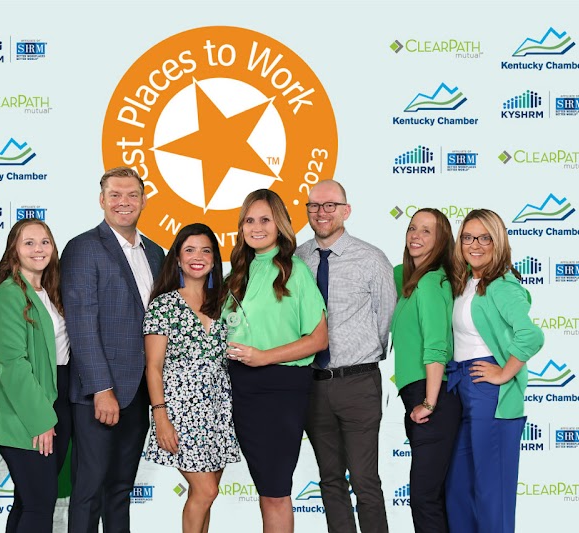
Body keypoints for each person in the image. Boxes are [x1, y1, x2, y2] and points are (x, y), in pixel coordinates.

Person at [61, 166, 165, 533]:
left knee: (121, 490)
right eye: (115, 195)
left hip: (139, 391)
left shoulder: (156, 252)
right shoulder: (83, 248)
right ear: (102, 200)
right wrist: (101, 389)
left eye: (132, 195)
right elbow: (82, 323)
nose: (124, 202)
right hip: (99, 394)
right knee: (89, 491)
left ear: (144, 200)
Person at [222, 189, 328, 533]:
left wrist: (264, 357)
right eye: (249, 220)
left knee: (276, 491)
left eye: (265, 219)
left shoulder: (295, 271)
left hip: (280, 390)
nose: (256, 227)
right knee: (265, 488)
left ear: (279, 224)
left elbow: (318, 339)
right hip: (241, 388)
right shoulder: (236, 274)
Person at [295, 180, 395, 533]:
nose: (321, 212)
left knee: (365, 480)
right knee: (330, 479)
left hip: (358, 383)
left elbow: (386, 319)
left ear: (346, 210)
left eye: (330, 205)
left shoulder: (371, 258)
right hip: (313, 384)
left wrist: (360, 355)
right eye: (314, 206)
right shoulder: (298, 259)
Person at [445, 209, 544, 533]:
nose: (475, 245)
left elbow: (531, 335)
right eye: (468, 237)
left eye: (484, 238)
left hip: (491, 394)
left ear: (497, 242)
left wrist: (503, 373)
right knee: (458, 490)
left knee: (492, 493)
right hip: (461, 385)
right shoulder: (466, 282)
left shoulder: (501, 285)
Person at [143, 223, 241, 533]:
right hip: (181, 412)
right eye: (189, 250)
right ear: (177, 258)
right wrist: (161, 417)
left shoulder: (226, 301)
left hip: (219, 411)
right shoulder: (163, 305)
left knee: (206, 495)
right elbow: (153, 367)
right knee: (206, 490)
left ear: (214, 258)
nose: (197, 257)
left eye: (205, 250)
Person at [0, 218, 71, 532]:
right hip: (28, 412)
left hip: (59, 400)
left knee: (27, 502)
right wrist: (41, 420)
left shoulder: (51, 291)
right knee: (39, 505)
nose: (39, 249)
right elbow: (13, 365)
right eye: (29, 243)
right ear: (14, 250)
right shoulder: (7, 295)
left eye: (44, 242)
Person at [391, 208, 462, 533]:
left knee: (425, 499)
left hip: (433, 397)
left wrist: (429, 402)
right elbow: (388, 272)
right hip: (420, 396)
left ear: (441, 241)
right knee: (432, 497)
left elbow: (436, 346)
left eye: (426, 231)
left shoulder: (431, 282)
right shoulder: (412, 281)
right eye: (412, 228)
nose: (415, 236)